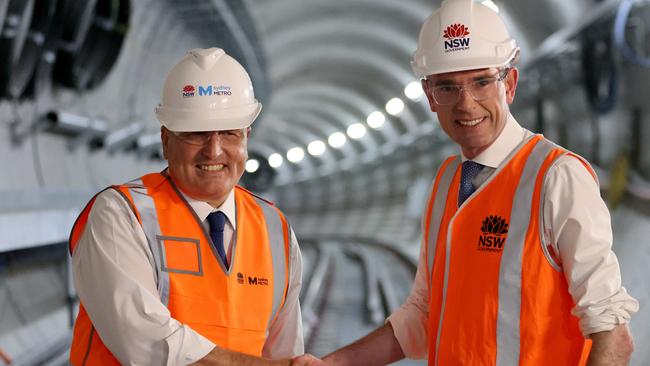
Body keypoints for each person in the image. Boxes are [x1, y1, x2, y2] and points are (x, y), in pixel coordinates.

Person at [295, 0, 639, 365]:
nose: (466, 104)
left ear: (509, 84)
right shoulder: (447, 182)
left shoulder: (556, 178)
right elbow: (424, 315)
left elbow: (612, 333)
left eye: (481, 82)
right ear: (429, 96)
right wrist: (331, 364)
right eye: (447, 87)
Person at [68, 48, 304, 365]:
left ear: (247, 137)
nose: (214, 150)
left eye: (230, 133)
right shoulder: (121, 215)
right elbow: (151, 346)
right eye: (196, 134)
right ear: (166, 140)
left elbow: (284, 351)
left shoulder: (276, 231)